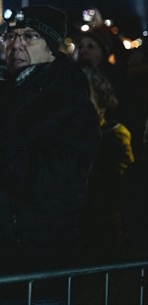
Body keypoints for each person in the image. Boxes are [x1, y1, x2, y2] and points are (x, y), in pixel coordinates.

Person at [0, 5, 101, 304]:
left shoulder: (70, 106)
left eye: (29, 37)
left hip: (41, 263)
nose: (16, 45)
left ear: (52, 48)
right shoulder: (2, 97)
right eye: (10, 37)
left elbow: (44, 179)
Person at [79, 67, 134, 263]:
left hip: (105, 231)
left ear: (100, 99)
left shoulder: (116, 135)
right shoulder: (74, 134)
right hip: (82, 232)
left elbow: (119, 185)